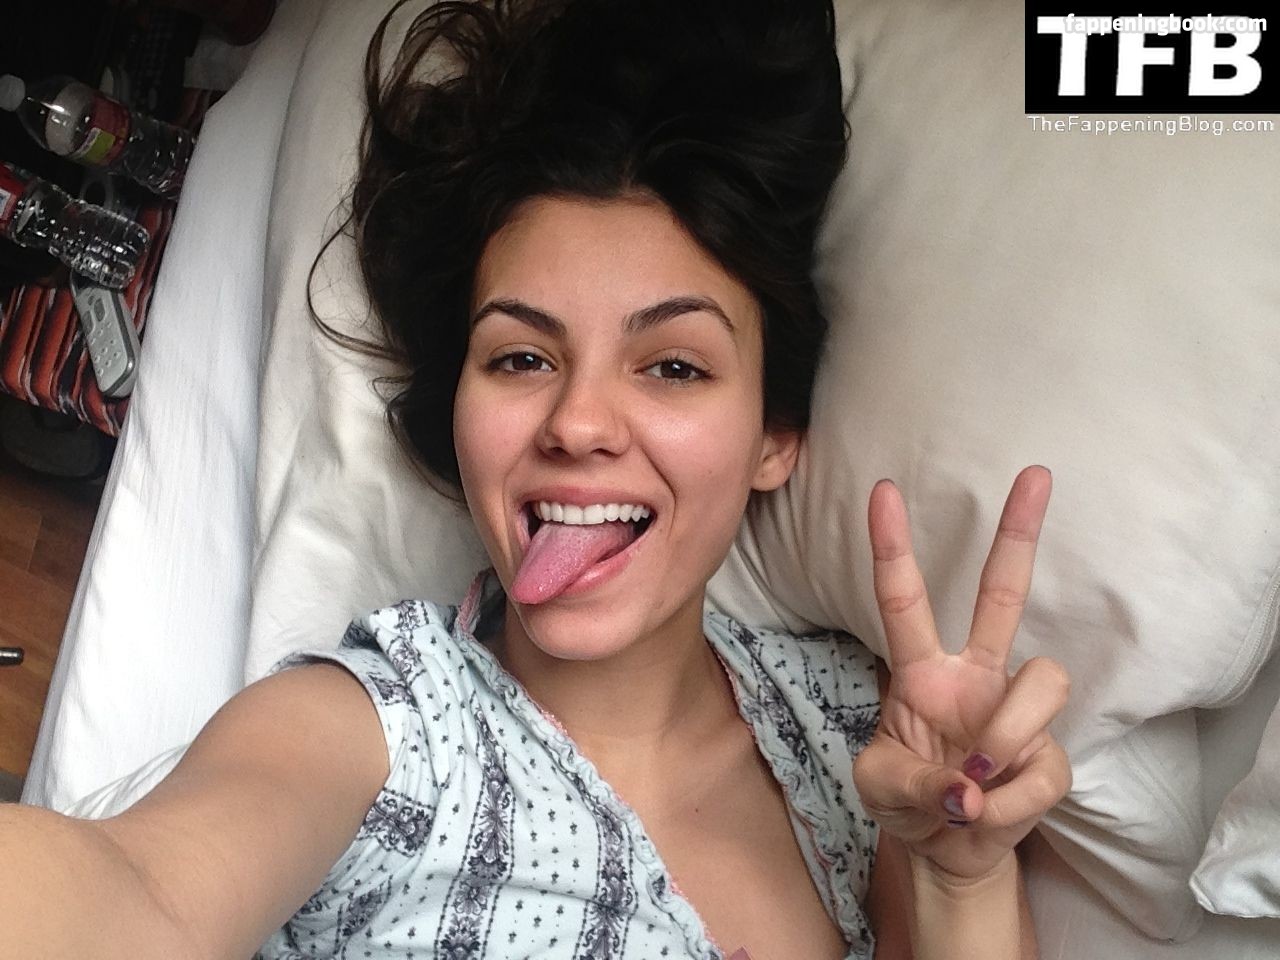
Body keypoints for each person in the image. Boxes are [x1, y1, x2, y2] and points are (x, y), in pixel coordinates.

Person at [0, 1, 1071, 958]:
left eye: (673, 366)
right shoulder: (378, 740)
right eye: (520, 357)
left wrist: (958, 881)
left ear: (773, 438)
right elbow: (141, 892)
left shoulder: (865, 736)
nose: (576, 422)